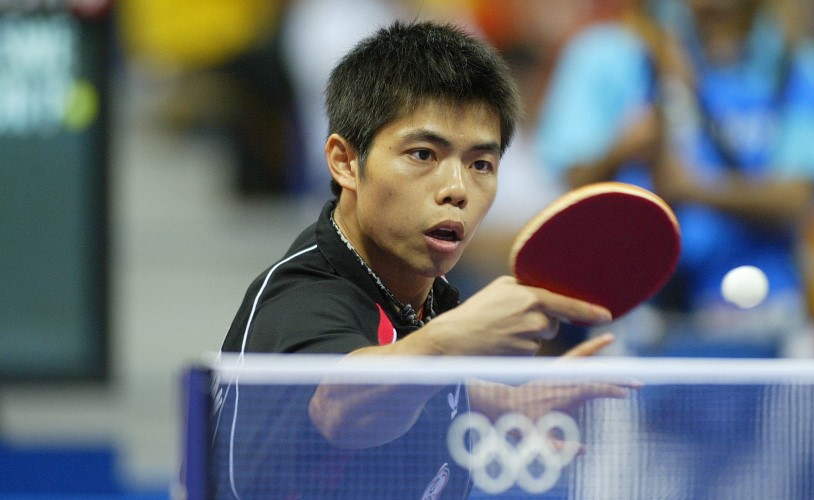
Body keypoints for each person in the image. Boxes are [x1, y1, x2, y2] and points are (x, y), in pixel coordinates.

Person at [214, 21, 628, 499]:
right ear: (345, 162)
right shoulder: (303, 298)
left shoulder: (420, 298)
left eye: (481, 164)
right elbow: (341, 407)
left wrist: (503, 402)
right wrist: (450, 341)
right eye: (423, 154)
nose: (457, 189)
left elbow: (405, 365)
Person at [536, 0, 814, 358]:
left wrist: (692, 188)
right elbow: (571, 182)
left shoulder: (799, 64)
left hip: (767, 315)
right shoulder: (611, 53)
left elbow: (800, 197)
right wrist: (621, 150)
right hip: (637, 318)